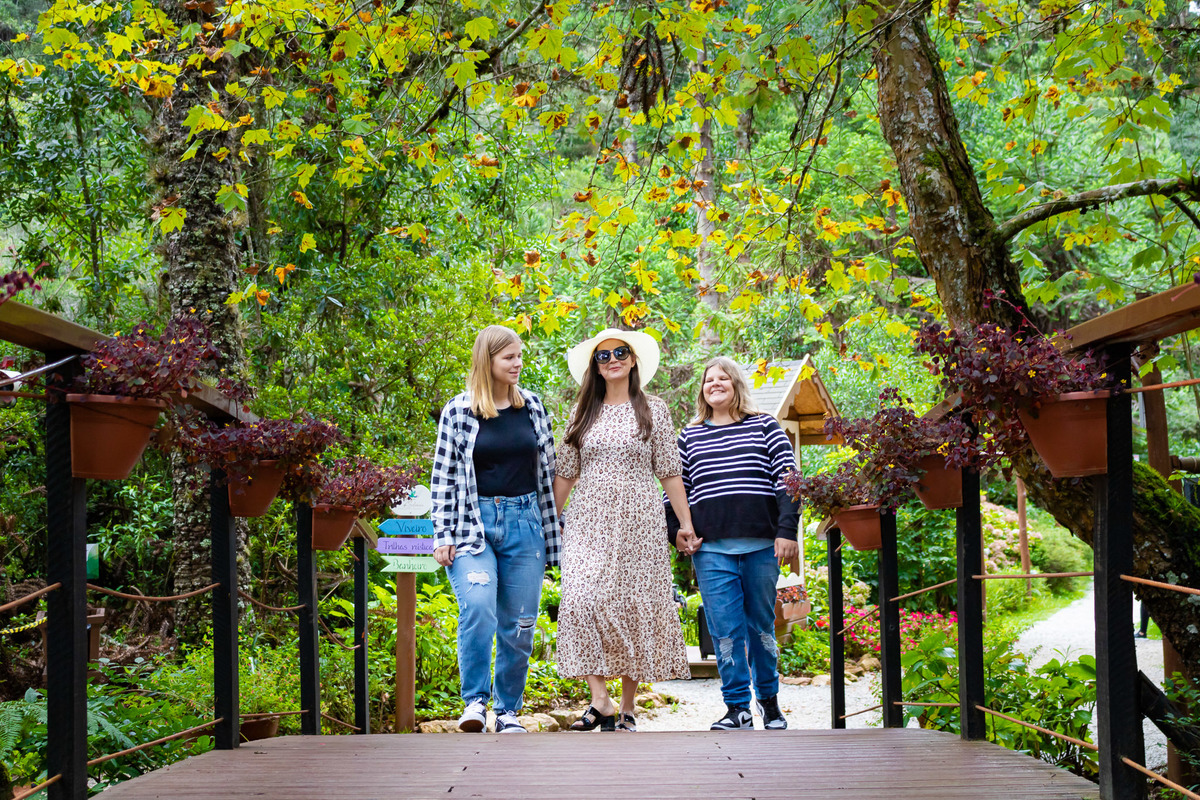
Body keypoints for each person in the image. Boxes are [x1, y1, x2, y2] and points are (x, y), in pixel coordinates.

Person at [553, 328, 695, 732]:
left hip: (640, 519)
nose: (612, 359)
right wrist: (548, 521)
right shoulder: (582, 412)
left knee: (635, 603)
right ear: (594, 367)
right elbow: (565, 473)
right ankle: (601, 699)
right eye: (603, 356)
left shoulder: (654, 408)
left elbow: (668, 470)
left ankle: (628, 707)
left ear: (633, 360)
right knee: (580, 598)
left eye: (620, 352)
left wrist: (684, 523)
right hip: (588, 519)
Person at [431, 325, 560, 734]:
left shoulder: (533, 407)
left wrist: (557, 531)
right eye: (509, 357)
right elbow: (444, 478)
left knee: (520, 623)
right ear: (487, 361)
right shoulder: (459, 411)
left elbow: (552, 473)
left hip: (526, 524)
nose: (518, 363)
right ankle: (474, 703)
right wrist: (442, 534)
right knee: (479, 607)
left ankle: (508, 711)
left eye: (520, 356)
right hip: (472, 526)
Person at [666, 356, 800, 731]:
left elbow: (789, 481)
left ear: (737, 385)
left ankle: (770, 705)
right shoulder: (688, 436)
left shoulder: (764, 426)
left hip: (760, 546)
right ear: (702, 390)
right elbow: (676, 490)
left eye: (724, 378)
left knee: (760, 627)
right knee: (725, 632)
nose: (716, 384)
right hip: (711, 551)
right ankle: (737, 708)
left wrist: (786, 531)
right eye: (709, 380)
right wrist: (676, 529)